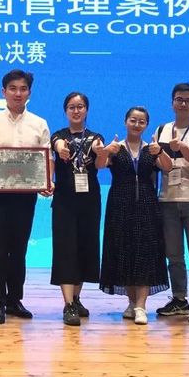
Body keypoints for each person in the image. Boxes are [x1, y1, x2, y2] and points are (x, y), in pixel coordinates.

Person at [0, 69, 54, 325]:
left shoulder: (39, 123)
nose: (18, 93)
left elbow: (46, 158)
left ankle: (14, 300)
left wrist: (48, 181)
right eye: (13, 88)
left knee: (19, 250)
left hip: (26, 196)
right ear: (3, 92)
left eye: (23, 89)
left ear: (29, 92)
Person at [98, 106, 173, 325]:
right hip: (119, 205)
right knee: (124, 253)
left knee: (144, 253)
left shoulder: (151, 149)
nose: (137, 124)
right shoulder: (116, 147)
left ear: (146, 125)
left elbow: (168, 167)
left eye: (141, 121)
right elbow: (99, 165)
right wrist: (106, 151)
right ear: (125, 122)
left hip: (147, 207)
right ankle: (132, 303)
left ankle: (141, 306)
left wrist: (160, 152)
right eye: (133, 120)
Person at [152, 83, 189, 324]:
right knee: (174, 255)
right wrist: (160, 155)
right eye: (179, 99)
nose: (183, 104)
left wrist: (182, 148)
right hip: (167, 199)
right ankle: (179, 299)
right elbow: (157, 163)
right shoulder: (161, 129)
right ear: (172, 102)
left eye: (188, 100)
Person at [50, 92, 107, 326]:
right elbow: (57, 146)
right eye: (72, 107)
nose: (76, 111)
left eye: (80, 106)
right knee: (66, 249)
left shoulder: (95, 137)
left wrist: (101, 153)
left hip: (89, 201)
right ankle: (68, 304)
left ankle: (76, 298)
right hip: (65, 201)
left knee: (85, 248)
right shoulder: (59, 136)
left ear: (86, 110)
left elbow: (101, 165)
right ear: (66, 111)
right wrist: (61, 149)